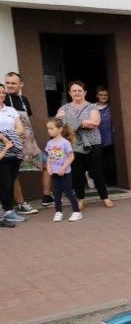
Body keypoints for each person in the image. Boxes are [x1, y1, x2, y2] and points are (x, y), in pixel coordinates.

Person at [56, 81, 112, 209]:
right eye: (74, 91)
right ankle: (80, 199)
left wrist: (72, 123)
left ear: (85, 92)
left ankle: (105, 197)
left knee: (97, 171)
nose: (77, 93)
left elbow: (95, 122)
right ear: (70, 93)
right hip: (73, 143)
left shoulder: (92, 107)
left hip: (93, 142)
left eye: (80, 90)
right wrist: (83, 123)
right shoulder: (64, 108)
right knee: (77, 172)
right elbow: (58, 122)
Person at [4, 72, 45, 214]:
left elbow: (27, 122)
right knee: (13, 174)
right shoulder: (4, 101)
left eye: (13, 83)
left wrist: (31, 142)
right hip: (12, 142)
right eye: (7, 82)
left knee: (47, 164)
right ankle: (21, 203)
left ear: (21, 84)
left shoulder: (23, 100)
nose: (10, 85)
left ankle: (47, 196)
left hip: (28, 142)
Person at [44, 118, 81, 222]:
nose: (49, 130)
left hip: (65, 173)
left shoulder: (65, 143)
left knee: (69, 192)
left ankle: (77, 212)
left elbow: (71, 157)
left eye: (51, 128)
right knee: (56, 194)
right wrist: (49, 167)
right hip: (54, 173)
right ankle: (58, 212)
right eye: (48, 129)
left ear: (60, 129)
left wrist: (63, 168)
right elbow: (49, 157)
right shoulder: (49, 143)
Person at [0, 93, 24, 225]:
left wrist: (6, 135)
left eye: (2, 92)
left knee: (11, 181)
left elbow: (20, 129)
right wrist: (5, 137)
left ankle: (9, 211)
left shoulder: (11, 110)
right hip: (1, 151)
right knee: (4, 182)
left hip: (14, 149)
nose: (1, 95)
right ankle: (3, 211)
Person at [95, 86, 117, 187]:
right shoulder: (92, 108)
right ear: (97, 96)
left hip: (109, 139)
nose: (103, 97)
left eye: (105, 95)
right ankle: (94, 177)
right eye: (101, 95)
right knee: (99, 162)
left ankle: (110, 182)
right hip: (95, 140)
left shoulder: (111, 107)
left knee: (110, 162)